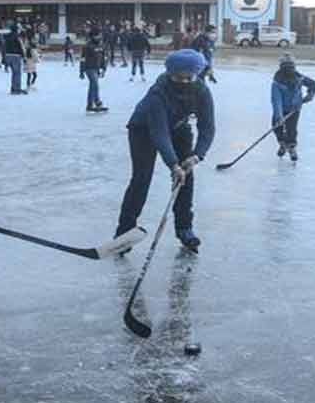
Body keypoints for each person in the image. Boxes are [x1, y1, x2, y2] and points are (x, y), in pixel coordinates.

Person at [115, 49, 215, 253]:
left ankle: (185, 228)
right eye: (179, 77)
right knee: (141, 179)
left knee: (186, 178)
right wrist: (173, 164)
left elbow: (208, 127)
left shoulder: (201, 90)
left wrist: (196, 156)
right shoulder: (158, 94)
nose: (184, 82)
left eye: (190, 77)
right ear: (170, 73)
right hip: (143, 130)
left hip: (178, 128)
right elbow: (159, 133)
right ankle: (124, 233)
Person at [271, 54, 315, 161]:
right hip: (281, 109)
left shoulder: (298, 77)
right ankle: (282, 144)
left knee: (291, 130)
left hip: (295, 109)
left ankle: (291, 148)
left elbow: (313, 84)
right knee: (276, 127)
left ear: (294, 66)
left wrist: (310, 95)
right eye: (286, 66)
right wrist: (279, 116)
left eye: (291, 66)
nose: (289, 69)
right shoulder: (277, 82)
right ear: (281, 67)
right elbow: (276, 100)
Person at [79, 27, 108, 112]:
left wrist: (104, 68)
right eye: (98, 35)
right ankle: (94, 103)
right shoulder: (87, 46)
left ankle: (92, 104)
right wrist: (81, 71)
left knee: (94, 85)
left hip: (97, 68)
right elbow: (83, 59)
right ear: (93, 36)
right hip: (89, 68)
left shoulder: (101, 45)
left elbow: (103, 57)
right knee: (94, 84)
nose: (100, 36)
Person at [4, 26, 27, 94]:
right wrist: (24, 57)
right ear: (16, 30)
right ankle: (17, 89)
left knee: (13, 73)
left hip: (8, 55)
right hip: (16, 56)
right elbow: (21, 47)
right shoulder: (17, 37)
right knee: (17, 73)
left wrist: (4, 59)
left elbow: (4, 47)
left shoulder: (7, 37)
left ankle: (13, 88)